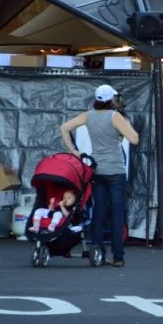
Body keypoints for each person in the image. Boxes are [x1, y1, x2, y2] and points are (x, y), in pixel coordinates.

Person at [59, 84, 139, 266]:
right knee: (117, 213)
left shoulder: (88, 115)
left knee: (98, 212)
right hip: (116, 170)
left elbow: (64, 128)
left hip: (97, 169)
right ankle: (118, 257)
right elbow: (134, 138)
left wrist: (74, 151)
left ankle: (99, 254)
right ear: (111, 99)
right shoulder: (115, 116)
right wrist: (125, 127)